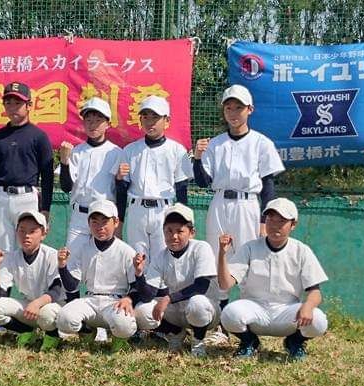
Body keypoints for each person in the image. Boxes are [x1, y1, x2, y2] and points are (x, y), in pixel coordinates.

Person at [193, 84, 286, 347]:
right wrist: (197, 158)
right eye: (229, 107)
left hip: (248, 205)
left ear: (250, 110)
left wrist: (265, 221)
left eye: (239, 107)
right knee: (218, 258)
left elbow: (268, 186)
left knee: (247, 261)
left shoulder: (261, 143)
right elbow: (202, 182)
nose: (233, 112)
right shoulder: (215, 144)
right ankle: (222, 324)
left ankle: (246, 324)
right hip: (220, 202)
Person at [217, 198, 329, 359]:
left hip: (287, 312)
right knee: (229, 313)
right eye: (270, 219)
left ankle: (295, 342)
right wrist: (222, 254)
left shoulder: (301, 250)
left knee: (318, 320)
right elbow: (225, 284)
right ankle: (249, 342)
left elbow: (315, 292)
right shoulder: (250, 247)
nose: (275, 225)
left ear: (293, 224)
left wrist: (308, 306)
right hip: (255, 309)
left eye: (281, 221)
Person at [0, 81, 55, 252]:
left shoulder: (39, 136)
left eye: (18, 103)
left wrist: (45, 209)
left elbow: (47, 176)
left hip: (27, 198)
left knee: (27, 250)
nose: (12, 107)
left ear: (29, 105)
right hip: (1, 197)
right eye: (8, 103)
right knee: (1, 252)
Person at [134, 204, 220, 357]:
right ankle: (175, 333)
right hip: (176, 311)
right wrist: (139, 274)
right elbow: (148, 295)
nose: (174, 236)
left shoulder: (201, 248)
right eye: (169, 231)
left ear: (192, 232)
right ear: (163, 232)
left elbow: (201, 286)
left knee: (197, 302)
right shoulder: (160, 256)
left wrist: (168, 298)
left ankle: (198, 340)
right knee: (143, 310)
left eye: (180, 231)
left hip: (206, 311)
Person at [55, 200, 141, 351]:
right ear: (88, 224)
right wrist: (62, 266)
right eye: (94, 222)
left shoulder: (126, 251)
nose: (100, 227)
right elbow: (72, 285)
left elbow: (136, 286)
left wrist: (129, 299)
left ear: (115, 222)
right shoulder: (83, 248)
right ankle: (87, 331)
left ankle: (119, 339)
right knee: (64, 319)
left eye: (105, 221)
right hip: (90, 300)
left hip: (115, 302)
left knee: (124, 324)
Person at [115, 95, 193, 256]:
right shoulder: (130, 150)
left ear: (167, 120)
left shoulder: (177, 150)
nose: (150, 122)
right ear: (140, 120)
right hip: (137, 210)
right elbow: (121, 191)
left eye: (155, 117)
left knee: (164, 258)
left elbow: (181, 189)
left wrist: (184, 222)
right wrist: (120, 221)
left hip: (164, 210)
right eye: (145, 117)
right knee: (137, 259)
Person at [0, 211, 64, 352]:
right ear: (16, 232)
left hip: (53, 307)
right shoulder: (12, 257)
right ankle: (25, 330)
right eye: (22, 230)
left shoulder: (52, 255)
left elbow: (56, 291)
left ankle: (53, 335)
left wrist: (37, 303)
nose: (26, 235)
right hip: (29, 306)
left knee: (46, 314)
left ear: (44, 234)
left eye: (32, 231)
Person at [57, 97, 123, 246]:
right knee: (73, 257)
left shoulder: (116, 152)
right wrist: (64, 162)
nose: (93, 125)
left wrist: (119, 222)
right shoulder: (76, 151)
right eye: (88, 120)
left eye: (98, 120)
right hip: (80, 215)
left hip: (105, 216)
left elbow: (121, 191)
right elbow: (66, 187)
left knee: (104, 258)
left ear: (107, 124)